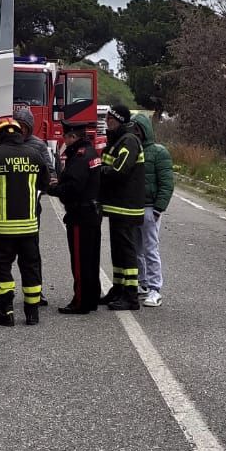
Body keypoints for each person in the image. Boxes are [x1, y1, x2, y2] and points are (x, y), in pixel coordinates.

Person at [0, 118, 50, 326]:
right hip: (29, 225)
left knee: (2, 269)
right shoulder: (34, 155)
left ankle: (6, 312)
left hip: (2, 227)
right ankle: (32, 314)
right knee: (31, 267)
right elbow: (45, 182)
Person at [0, 105, 57, 307]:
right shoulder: (0, 147)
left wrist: (40, 186)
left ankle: (37, 290)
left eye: (25, 126)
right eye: (19, 126)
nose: (22, 130)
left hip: (30, 208)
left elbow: (50, 173)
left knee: (31, 254)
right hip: (3, 209)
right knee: (2, 257)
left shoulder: (38, 146)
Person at [98, 105, 147, 311]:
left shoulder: (129, 141)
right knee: (117, 252)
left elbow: (120, 170)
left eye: (109, 118)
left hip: (126, 207)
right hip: (117, 206)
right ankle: (118, 288)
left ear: (117, 119)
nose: (106, 121)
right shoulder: (117, 139)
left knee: (126, 252)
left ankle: (131, 296)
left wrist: (99, 171)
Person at [52, 120, 103, 314]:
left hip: (80, 215)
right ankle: (92, 297)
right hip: (92, 213)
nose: (64, 140)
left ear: (73, 137)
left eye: (66, 136)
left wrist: (55, 189)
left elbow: (73, 187)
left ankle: (80, 301)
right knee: (91, 259)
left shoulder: (80, 157)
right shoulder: (91, 153)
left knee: (80, 261)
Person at [131, 113, 173, 308]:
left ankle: (155, 288)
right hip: (134, 209)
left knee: (150, 249)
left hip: (149, 209)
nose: (136, 133)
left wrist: (158, 209)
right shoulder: (132, 149)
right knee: (137, 249)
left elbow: (167, 184)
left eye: (138, 129)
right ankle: (143, 283)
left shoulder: (159, 152)